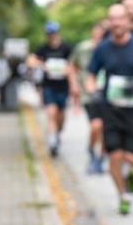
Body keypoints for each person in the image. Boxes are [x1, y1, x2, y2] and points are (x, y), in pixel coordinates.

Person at [87, 4, 133, 215]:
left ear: (128, 21)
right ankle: (123, 195)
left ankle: (130, 172)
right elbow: (91, 75)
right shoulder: (103, 48)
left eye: (120, 18)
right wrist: (93, 91)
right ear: (109, 22)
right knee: (114, 156)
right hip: (111, 109)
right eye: (112, 19)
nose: (116, 23)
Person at [31, 21, 75, 157]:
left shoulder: (66, 48)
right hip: (48, 86)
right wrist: (43, 65)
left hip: (63, 86)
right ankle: (53, 143)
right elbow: (30, 60)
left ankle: (57, 132)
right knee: (51, 113)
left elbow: (73, 65)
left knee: (60, 116)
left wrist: (72, 83)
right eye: (49, 33)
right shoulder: (43, 49)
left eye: (53, 33)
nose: (51, 36)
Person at [71, 21, 108, 173]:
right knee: (96, 126)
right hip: (89, 94)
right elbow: (72, 66)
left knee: (106, 130)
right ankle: (92, 151)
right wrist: (74, 85)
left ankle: (100, 158)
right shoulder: (83, 48)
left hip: (108, 94)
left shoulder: (109, 49)